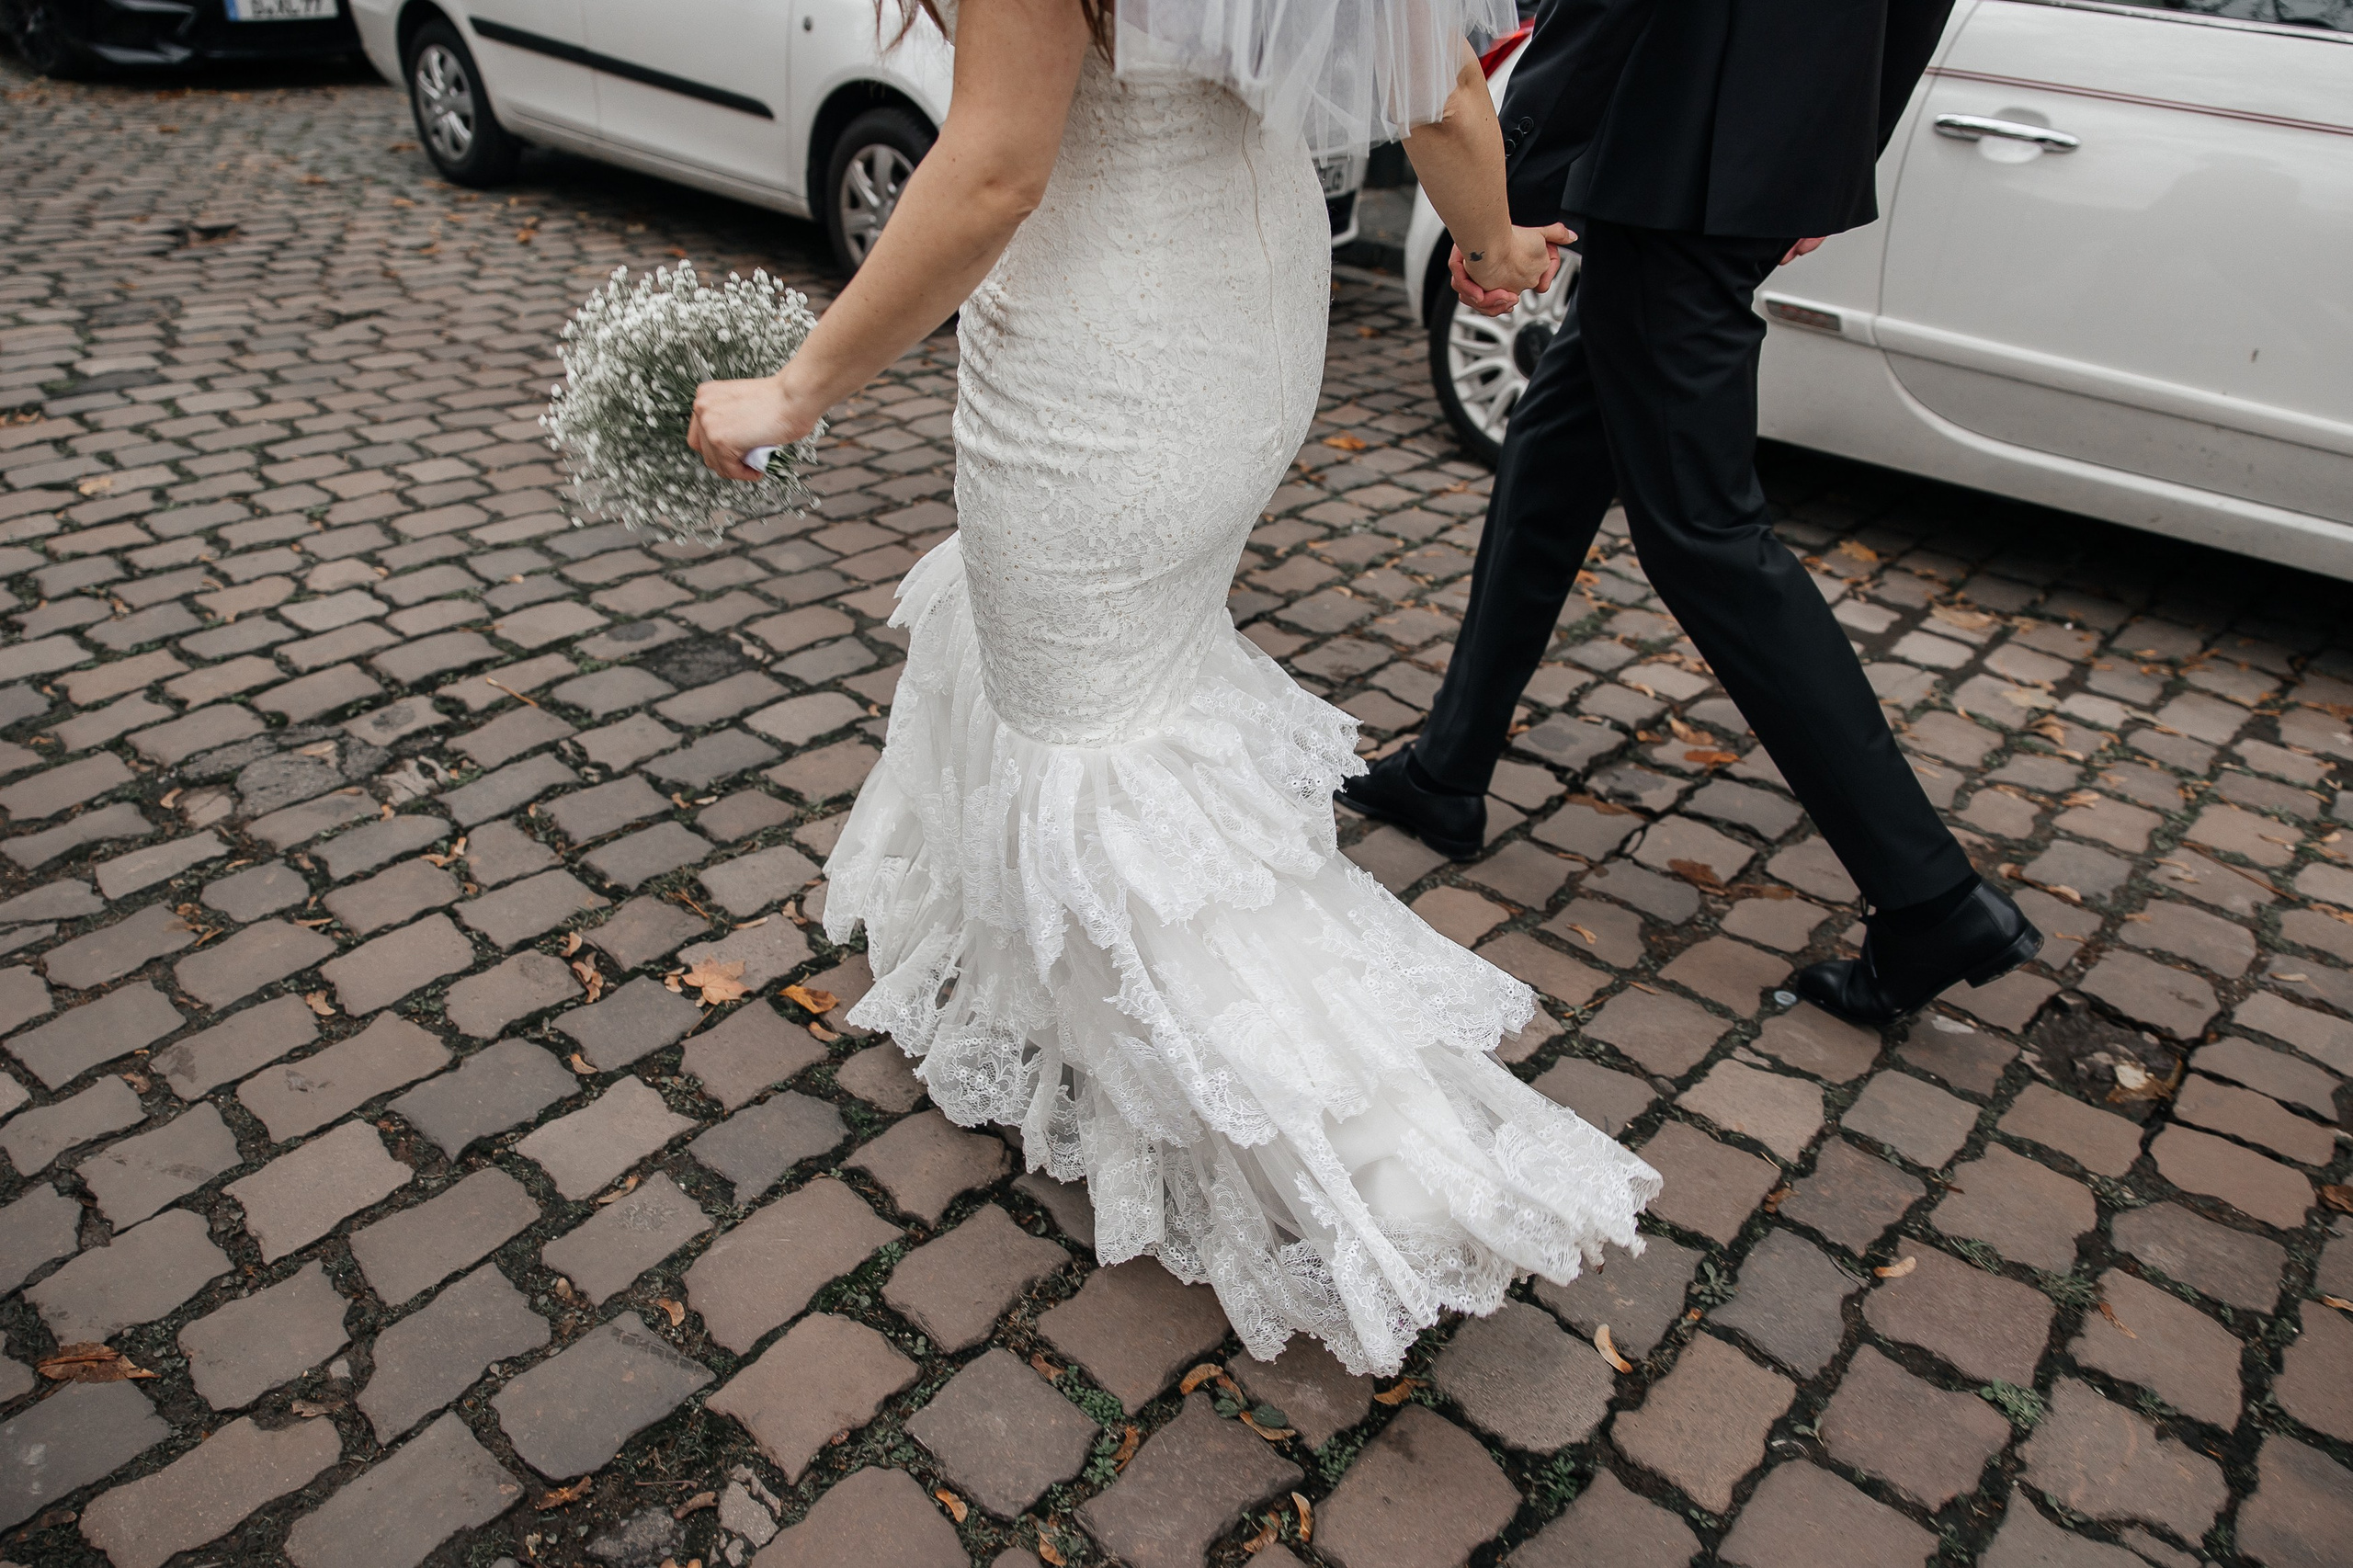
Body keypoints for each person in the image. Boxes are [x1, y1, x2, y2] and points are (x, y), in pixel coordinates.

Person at [687, 0, 1658, 1376]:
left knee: (1087, 728)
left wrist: (796, 390)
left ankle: (1387, 1165)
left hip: (1107, 353)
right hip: (1244, 328)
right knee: (1113, 686)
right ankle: (1064, 1017)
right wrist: (1493, 243)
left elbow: (994, 169)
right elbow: (1436, 88)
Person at [1340, 0, 2042, 1028]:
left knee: (1704, 532)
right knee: (1555, 450)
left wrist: (1505, 193)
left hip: (1677, 155)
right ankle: (1447, 769)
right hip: (1736, 151)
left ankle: (1931, 896)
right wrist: (1830, 148)